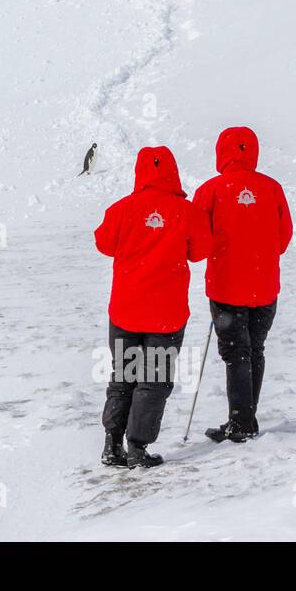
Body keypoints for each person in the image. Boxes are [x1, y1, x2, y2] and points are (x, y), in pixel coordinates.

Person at [95, 146, 211, 468]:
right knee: (153, 379)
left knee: (123, 375)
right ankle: (137, 447)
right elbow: (200, 250)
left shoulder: (121, 209)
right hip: (165, 314)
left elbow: (104, 243)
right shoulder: (185, 212)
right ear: (171, 171)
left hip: (125, 310)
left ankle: (112, 444)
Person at [193, 126, 293, 443]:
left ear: (222, 152)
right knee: (256, 349)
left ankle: (241, 423)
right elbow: (284, 236)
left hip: (226, 288)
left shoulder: (211, 190)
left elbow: (197, 241)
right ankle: (246, 418)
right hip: (264, 287)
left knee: (237, 354)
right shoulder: (272, 188)